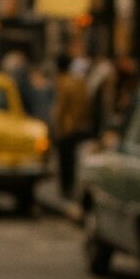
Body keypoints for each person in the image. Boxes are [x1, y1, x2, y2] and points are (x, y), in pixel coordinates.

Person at [52, 52, 91, 199]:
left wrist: (57, 126)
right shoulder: (79, 82)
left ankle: (66, 190)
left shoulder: (63, 82)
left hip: (66, 128)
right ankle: (70, 188)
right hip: (78, 126)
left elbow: (60, 108)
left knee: (65, 161)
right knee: (72, 160)